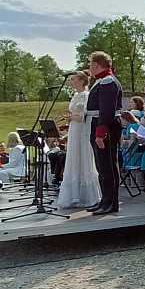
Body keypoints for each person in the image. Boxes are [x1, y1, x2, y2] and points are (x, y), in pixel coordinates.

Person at [56, 71, 102, 209]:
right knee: (74, 158)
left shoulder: (86, 96)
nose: (71, 81)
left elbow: (86, 116)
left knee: (83, 157)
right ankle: (74, 195)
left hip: (82, 129)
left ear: (81, 81)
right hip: (74, 129)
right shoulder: (76, 96)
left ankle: (87, 195)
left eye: (73, 79)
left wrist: (72, 117)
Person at [87, 51, 123, 215]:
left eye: (90, 63)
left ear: (96, 64)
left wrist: (101, 133)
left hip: (106, 126)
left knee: (108, 165)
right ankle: (105, 200)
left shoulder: (108, 81)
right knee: (101, 166)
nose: (89, 67)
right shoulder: (102, 80)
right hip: (97, 124)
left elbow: (107, 110)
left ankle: (111, 202)